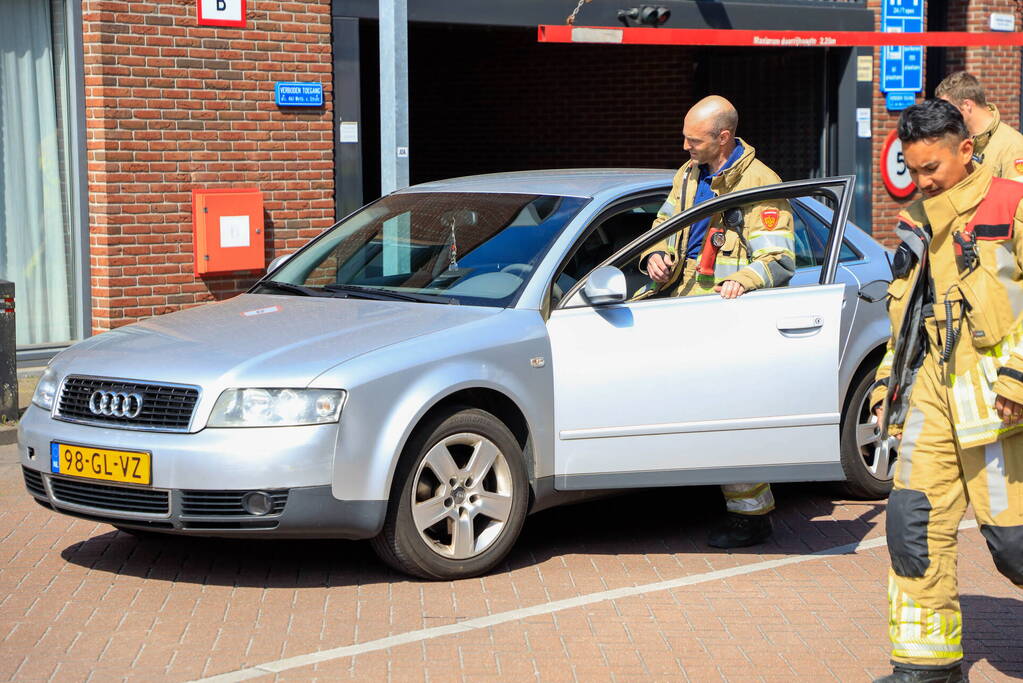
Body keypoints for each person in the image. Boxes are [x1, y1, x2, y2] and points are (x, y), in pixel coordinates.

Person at [871, 99, 1023, 683]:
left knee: (1014, 546)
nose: (922, 180)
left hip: (1002, 403)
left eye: (932, 167)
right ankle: (927, 668)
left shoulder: (1011, 203)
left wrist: (1019, 374)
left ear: (966, 149)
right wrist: (889, 380)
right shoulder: (918, 223)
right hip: (933, 394)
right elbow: (909, 317)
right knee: (911, 525)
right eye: (914, 169)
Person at [638, 95, 795, 549]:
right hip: (681, 304)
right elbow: (662, 226)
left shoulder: (761, 183)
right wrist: (655, 256)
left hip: (727, 314)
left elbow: (780, 260)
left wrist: (744, 280)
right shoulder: (689, 175)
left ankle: (751, 515)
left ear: (723, 138)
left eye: (694, 139)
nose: (685, 146)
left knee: (729, 412)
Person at [936, 71, 1023, 180]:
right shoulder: (957, 138)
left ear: (967, 105)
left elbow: (1017, 193)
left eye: (948, 109)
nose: (945, 115)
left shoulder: (1013, 145)